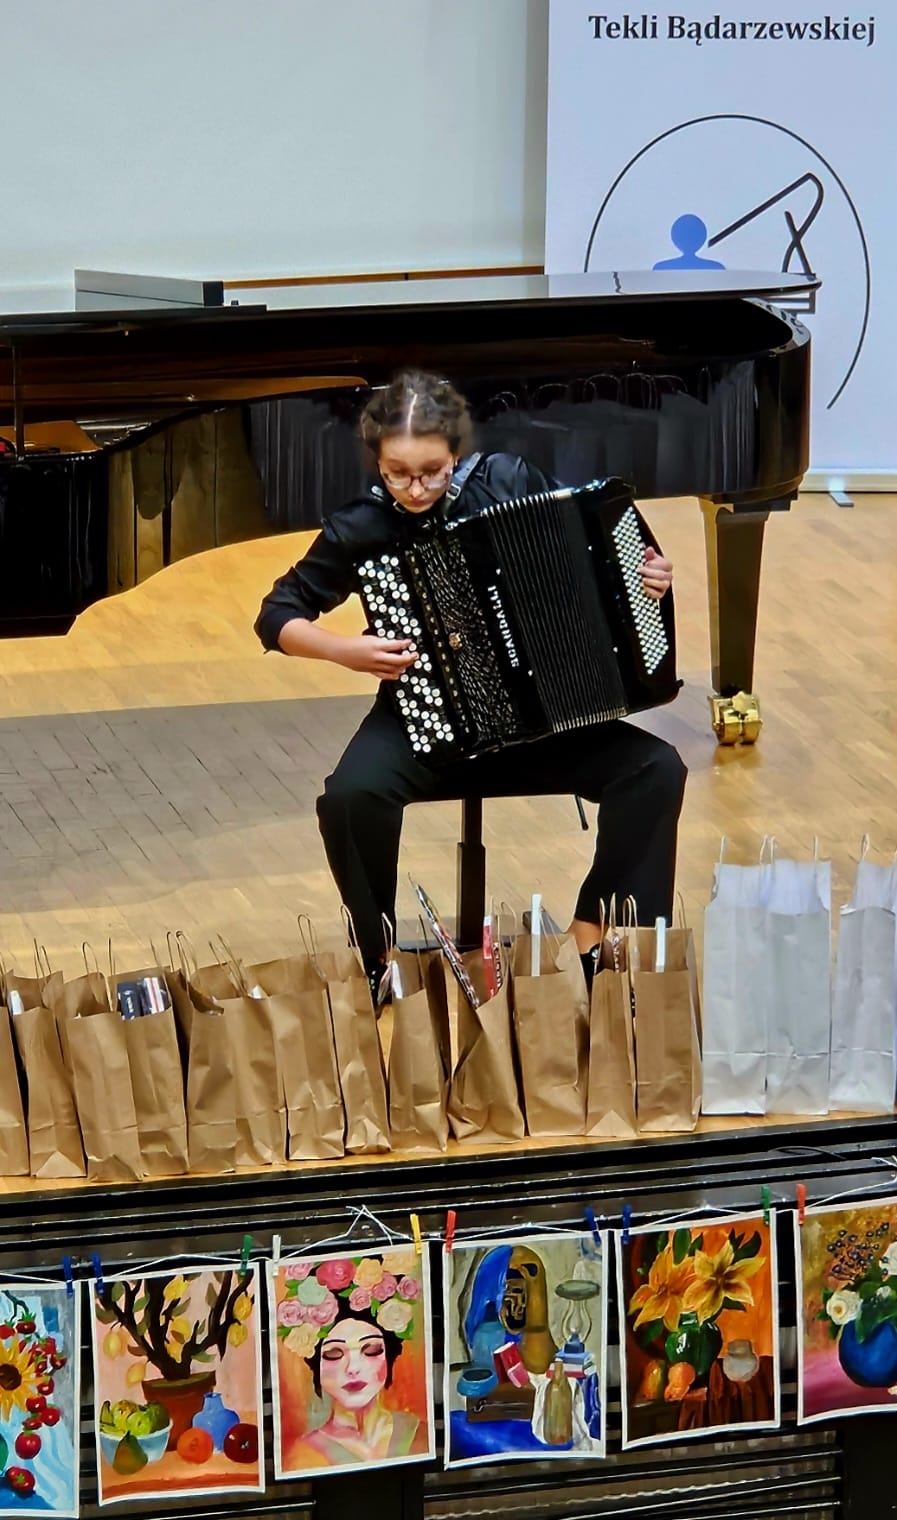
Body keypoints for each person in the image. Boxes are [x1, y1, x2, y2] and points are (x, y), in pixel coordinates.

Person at [255, 370, 686, 991]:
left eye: (431, 471)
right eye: (398, 474)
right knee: (350, 798)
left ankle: (594, 936)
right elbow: (276, 616)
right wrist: (347, 651)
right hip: (423, 725)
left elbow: (590, 551)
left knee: (656, 770)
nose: (416, 488)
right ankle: (378, 956)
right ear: (378, 464)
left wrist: (646, 577)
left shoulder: (507, 482)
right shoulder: (363, 526)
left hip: (539, 728)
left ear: (455, 455)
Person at [287, 1297, 423, 1468]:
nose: (353, 1368)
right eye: (334, 1353)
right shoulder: (303, 1455)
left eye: (371, 1350)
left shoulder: (419, 1431)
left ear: (389, 1357)